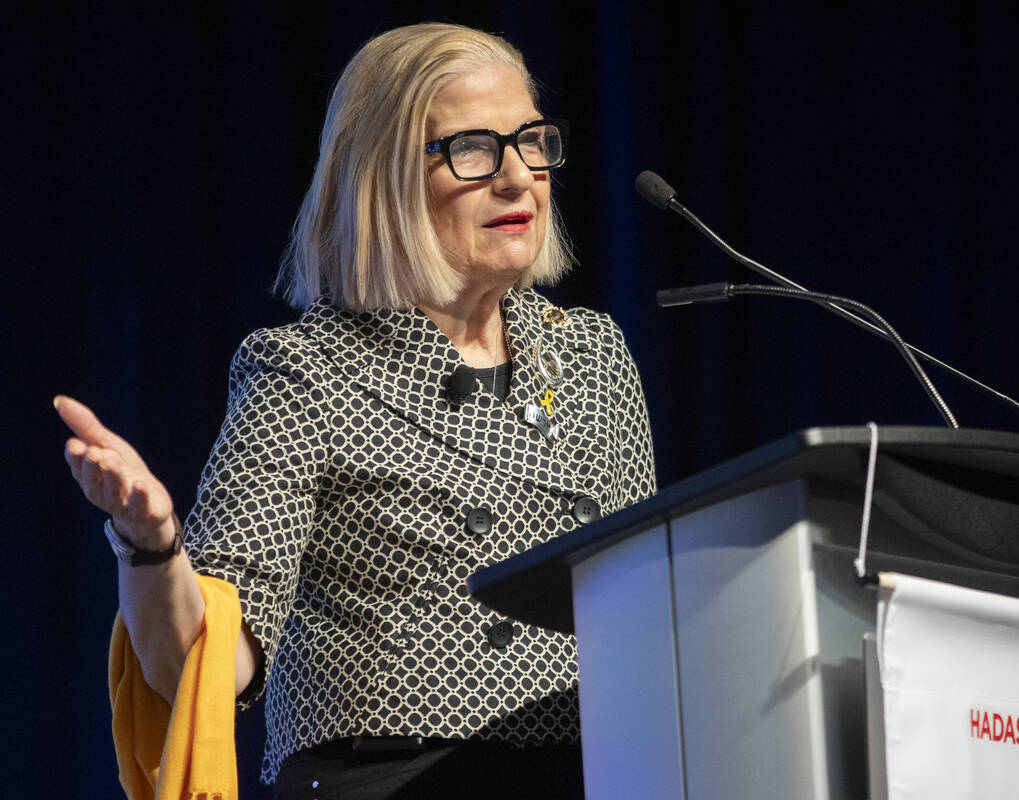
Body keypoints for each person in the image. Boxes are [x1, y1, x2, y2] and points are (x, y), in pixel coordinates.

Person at [57, 22, 655, 799]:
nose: (518, 178)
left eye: (532, 141)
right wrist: (150, 545)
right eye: (473, 148)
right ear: (383, 177)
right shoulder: (305, 372)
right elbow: (207, 665)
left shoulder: (594, 356)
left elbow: (650, 616)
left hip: (595, 775)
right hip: (388, 782)